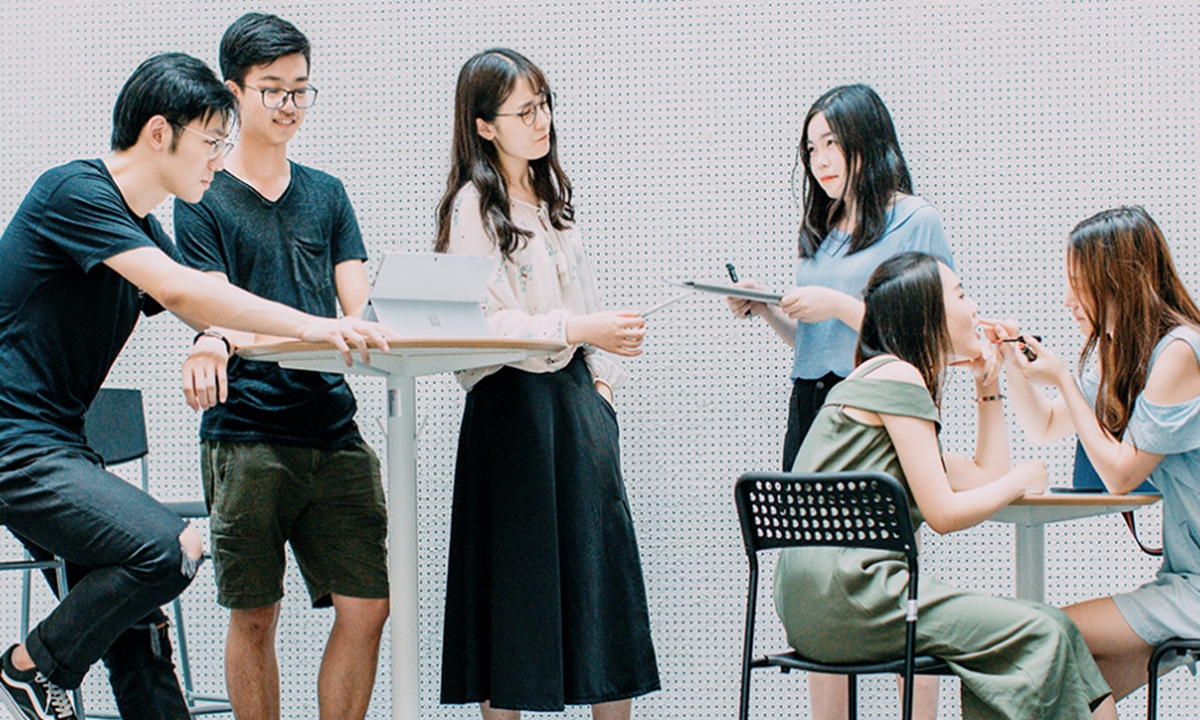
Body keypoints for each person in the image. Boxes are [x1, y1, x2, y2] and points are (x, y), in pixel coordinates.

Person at [0, 53, 391, 720]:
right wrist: (319, 325)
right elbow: (183, 289)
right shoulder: (73, 193)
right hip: (15, 442)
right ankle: (31, 667)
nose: (218, 159)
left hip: (58, 443)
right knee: (169, 549)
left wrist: (314, 334)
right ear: (160, 134)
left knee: (140, 630)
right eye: (211, 141)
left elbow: (215, 310)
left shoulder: (142, 229)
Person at [774, 251, 1116, 719]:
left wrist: (987, 385)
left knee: (1051, 629)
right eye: (960, 294)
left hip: (820, 603)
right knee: (1046, 631)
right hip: (857, 597)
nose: (973, 307)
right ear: (927, 313)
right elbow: (945, 514)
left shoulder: (876, 376)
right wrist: (1025, 478)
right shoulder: (898, 374)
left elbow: (983, 478)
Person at [171, 13, 390, 720]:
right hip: (247, 434)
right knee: (255, 614)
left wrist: (401, 314)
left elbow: (358, 308)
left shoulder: (327, 192)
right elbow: (214, 308)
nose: (290, 105)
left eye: (301, 89)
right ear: (233, 92)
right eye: (273, 90)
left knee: (367, 606)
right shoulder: (204, 196)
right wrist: (213, 341)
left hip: (333, 428)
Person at [433, 48, 659, 719]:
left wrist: (603, 389)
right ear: (483, 126)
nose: (543, 120)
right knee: (516, 594)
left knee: (600, 591)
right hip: (513, 412)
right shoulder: (475, 205)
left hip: (574, 408)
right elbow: (483, 325)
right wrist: (581, 329)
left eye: (545, 104)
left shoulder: (553, 197)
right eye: (525, 110)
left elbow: (583, 303)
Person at [725, 84, 954, 719]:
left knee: (895, 568)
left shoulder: (917, 219)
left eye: (833, 143)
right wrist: (771, 309)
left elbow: (928, 332)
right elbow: (815, 342)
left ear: (867, 142)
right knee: (817, 570)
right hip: (815, 405)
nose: (821, 159)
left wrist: (837, 304)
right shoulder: (821, 233)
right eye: (811, 147)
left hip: (887, 404)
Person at [1000, 206, 1200, 704]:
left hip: (1194, 590)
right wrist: (1011, 367)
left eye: (1077, 281)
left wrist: (1066, 378)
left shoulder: (1180, 351)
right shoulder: (1130, 354)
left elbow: (1121, 477)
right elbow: (1045, 425)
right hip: (1182, 579)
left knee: (1048, 635)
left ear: (1117, 280)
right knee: (1061, 697)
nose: (1068, 299)